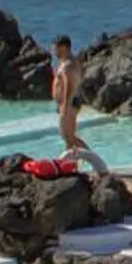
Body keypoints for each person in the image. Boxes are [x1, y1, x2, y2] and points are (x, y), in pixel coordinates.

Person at [49, 37, 108, 174]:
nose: (53, 51)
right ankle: (72, 165)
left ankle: (94, 161)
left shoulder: (68, 65)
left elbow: (69, 85)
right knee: (69, 138)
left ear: (64, 48)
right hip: (70, 102)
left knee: (68, 136)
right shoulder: (67, 62)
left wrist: (65, 104)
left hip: (69, 102)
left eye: (56, 48)